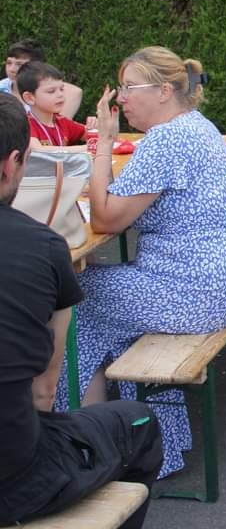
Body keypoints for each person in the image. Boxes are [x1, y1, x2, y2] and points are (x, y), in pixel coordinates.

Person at [54, 46, 226, 478]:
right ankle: (148, 446)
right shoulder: (193, 127)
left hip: (194, 293)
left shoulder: (167, 140)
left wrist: (104, 143)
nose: (119, 99)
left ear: (164, 91)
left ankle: (84, 445)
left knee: (72, 299)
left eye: (128, 88)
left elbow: (108, 215)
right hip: (214, 285)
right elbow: (123, 203)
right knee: (106, 307)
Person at [0, 92, 163, 528]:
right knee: (139, 422)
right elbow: (42, 389)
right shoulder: (42, 246)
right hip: (15, 480)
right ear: (11, 163)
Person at [18, 61, 94, 148]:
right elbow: (40, 151)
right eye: (51, 91)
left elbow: (97, 137)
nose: (60, 94)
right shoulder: (24, 125)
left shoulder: (61, 121)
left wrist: (97, 126)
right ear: (29, 98)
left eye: (61, 89)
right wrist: (88, 148)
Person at [2, 38, 84, 118]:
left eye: (19, 64)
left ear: (37, 66)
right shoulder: (2, 87)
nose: (11, 69)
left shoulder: (46, 86)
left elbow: (75, 92)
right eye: (9, 63)